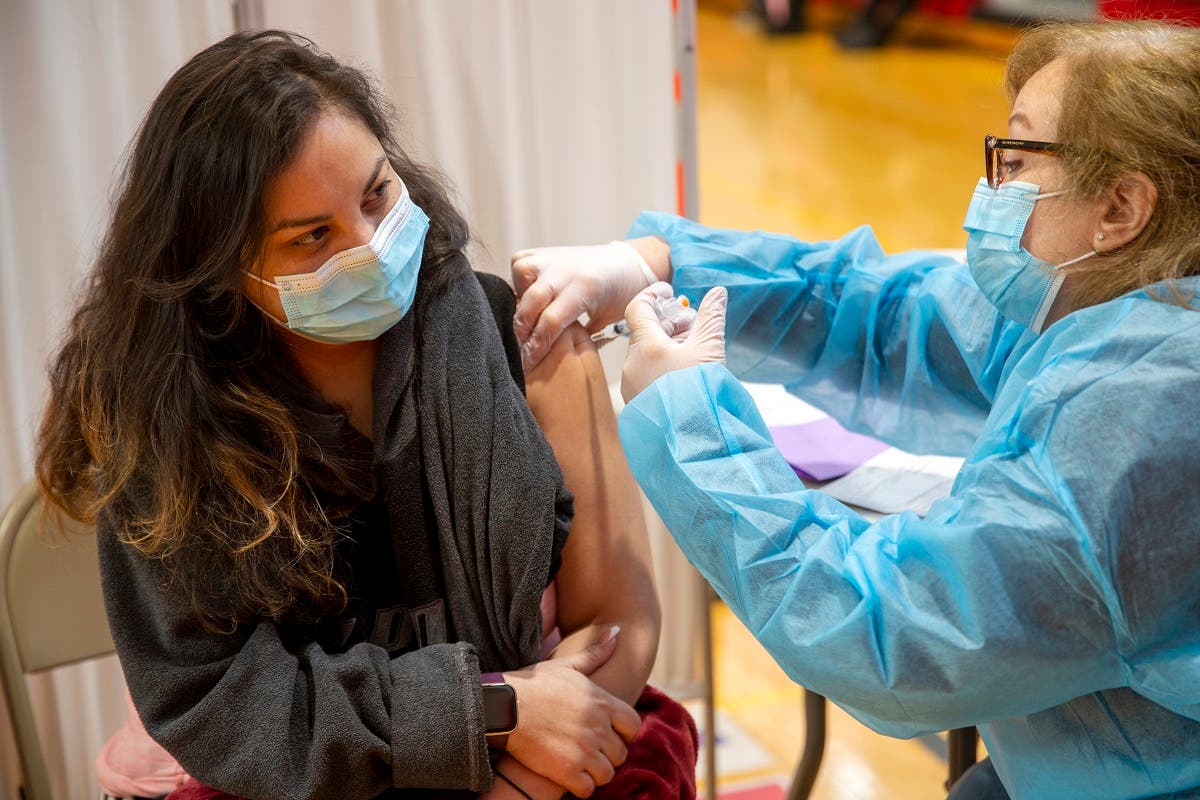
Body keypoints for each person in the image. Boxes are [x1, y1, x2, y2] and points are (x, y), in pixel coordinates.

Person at [511, 20, 1200, 800]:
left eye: (1015, 159)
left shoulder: (1142, 417)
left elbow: (892, 637)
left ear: (1121, 207)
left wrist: (691, 422)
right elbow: (888, 314)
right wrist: (661, 263)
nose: (991, 190)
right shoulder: (1122, 308)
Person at [35, 30, 697, 800]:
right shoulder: (164, 429)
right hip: (286, 776)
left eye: (377, 195)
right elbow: (224, 706)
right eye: (313, 237)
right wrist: (492, 708)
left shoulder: (528, 336)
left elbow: (620, 622)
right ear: (218, 270)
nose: (371, 247)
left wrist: (514, 787)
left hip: (539, 753)